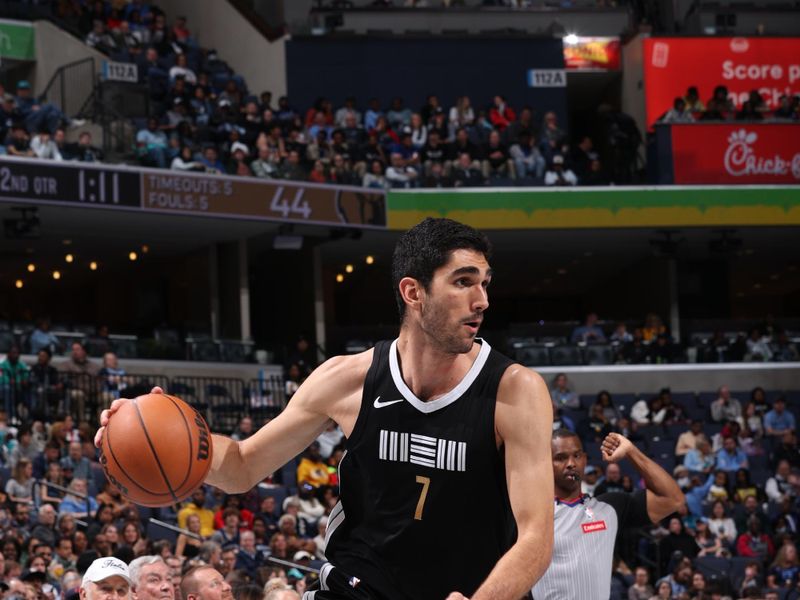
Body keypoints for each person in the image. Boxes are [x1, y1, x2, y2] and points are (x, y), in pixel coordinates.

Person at [99, 217, 555, 600]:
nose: (482, 301)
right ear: (414, 293)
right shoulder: (347, 379)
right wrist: (171, 436)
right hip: (360, 586)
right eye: (463, 282)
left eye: (484, 283)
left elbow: (536, 536)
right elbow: (241, 467)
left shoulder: (515, 391)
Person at [532, 430, 683, 599]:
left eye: (576, 455)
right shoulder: (531, 515)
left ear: (585, 459)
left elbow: (673, 499)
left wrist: (631, 451)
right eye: (560, 457)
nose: (571, 463)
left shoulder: (609, 508)